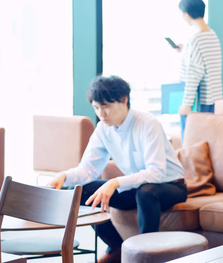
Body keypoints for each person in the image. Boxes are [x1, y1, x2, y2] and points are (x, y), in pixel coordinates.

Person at [49, 75, 187, 263]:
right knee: (83, 191)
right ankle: (117, 249)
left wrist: (115, 182)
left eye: (106, 106)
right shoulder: (103, 129)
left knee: (146, 192)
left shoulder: (147, 123)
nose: (101, 114)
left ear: (123, 100)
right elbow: (88, 169)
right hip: (137, 188)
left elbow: (156, 172)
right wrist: (64, 177)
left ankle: (145, 255)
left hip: (170, 186)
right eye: (96, 108)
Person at [175, 0, 223, 140]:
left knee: (192, 144)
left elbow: (194, 74)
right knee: (207, 140)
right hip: (213, 98)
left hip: (198, 101)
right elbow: (205, 61)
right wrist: (185, 50)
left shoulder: (195, 40)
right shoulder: (212, 35)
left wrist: (186, 104)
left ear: (187, 14)